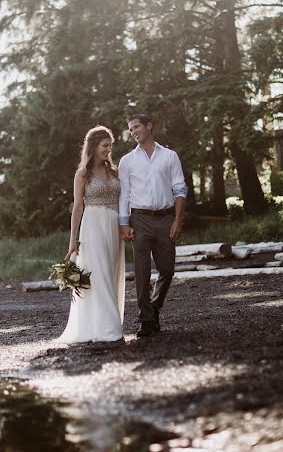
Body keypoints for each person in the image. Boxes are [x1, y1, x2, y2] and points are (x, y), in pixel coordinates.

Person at [118, 114, 187, 338]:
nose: (133, 131)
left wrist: (178, 220)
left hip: (166, 218)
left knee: (167, 269)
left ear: (149, 126)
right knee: (141, 271)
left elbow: (180, 189)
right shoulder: (127, 161)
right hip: (139, 219)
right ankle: (146, 320)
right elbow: (124, 194)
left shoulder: (169, 156)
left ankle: (154, 308)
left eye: (136, 127)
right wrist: (124, 223)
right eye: (130, 129)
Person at [57, 126, 125, 343]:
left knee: (112, 274)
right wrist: (72, 241)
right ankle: (110, 330)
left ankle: (103, 325)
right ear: (94, 146)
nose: (108, 150)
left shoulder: (114, 172)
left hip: (113, 226)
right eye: (105, 146)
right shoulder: (82, 174)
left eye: (110, 146)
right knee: (100, 275)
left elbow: (125, 200)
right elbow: (77, 207)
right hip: (93, 226)